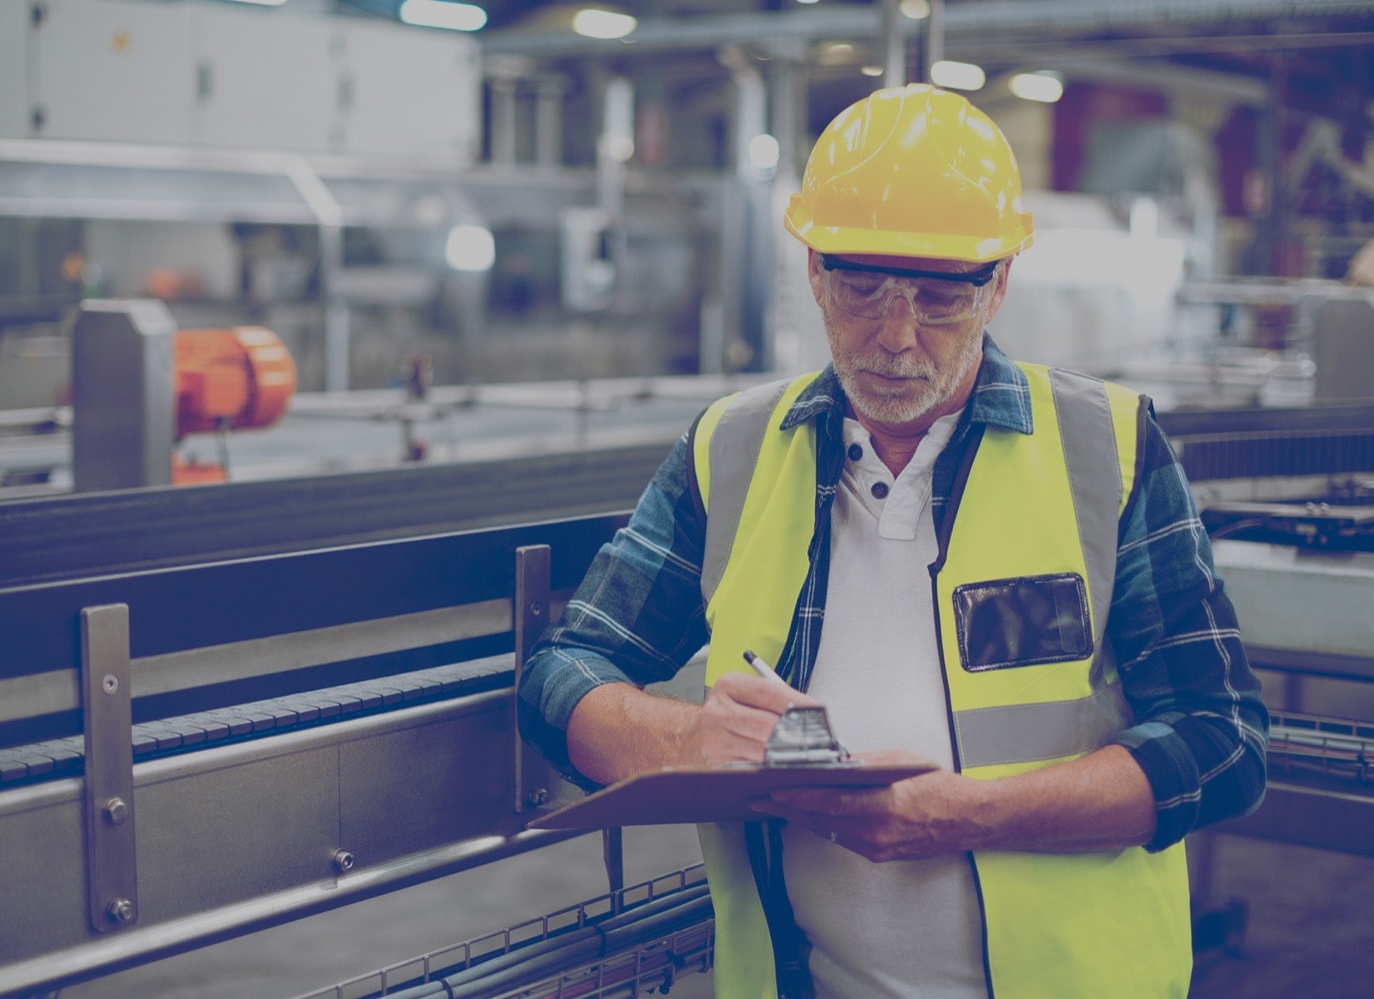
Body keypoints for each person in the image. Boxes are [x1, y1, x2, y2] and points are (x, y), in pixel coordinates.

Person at [518, 83, 1267, 999]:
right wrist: (680, 739)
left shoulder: (1105, 450)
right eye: (862, 287)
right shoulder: (735, 448)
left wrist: (967, 815)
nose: (894, 336)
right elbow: (563, 672)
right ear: (812, 272)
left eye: (940, 297)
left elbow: (1223, 741)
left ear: (999, 285)